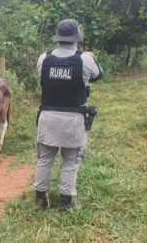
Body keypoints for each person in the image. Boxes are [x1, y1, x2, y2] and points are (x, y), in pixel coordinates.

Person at [33, 18, 103, 210]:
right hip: (73, 121)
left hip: (47, 119)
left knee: (44, 159)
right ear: (77, 37)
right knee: (71, 162)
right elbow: (98, 75)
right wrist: (90, 56)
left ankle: (40, 200)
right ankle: (66, 202)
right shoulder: (85, 59)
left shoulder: (43, 59)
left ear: (58, 38)